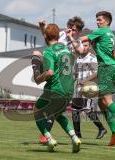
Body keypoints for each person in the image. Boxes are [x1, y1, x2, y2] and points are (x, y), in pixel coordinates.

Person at [70, 11, 115, 146]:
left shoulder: (102, 31)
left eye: (100, 20)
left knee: (107, 100)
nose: (97, 22)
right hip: (110, 67)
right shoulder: (109, 33)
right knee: (101, 103)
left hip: (106, 67)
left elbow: (82, 39)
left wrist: (71, 36)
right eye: (97, 20)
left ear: (107, 21)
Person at [31, 24, 81, 152]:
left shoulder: (49, 51)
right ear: (59, 36)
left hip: (55, 89)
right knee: (58, 114)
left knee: (37, 110)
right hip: (69, 89)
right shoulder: (65, 49)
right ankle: (75, 138)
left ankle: (49, 139)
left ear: (45, 36)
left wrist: (38, 77)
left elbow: (50, 72)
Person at [72, 41, 107, 139]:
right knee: (75, 111)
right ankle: (78, 135)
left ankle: (101, 128)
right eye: (82, 45)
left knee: (87, 110)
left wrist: (85, 81)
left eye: (86, 45)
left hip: (88, 88)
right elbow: (75, 74)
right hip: (78, 88)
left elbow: (96, 73)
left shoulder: (92, 58)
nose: (83, 47)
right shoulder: (78, 58)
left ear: (90, 47)